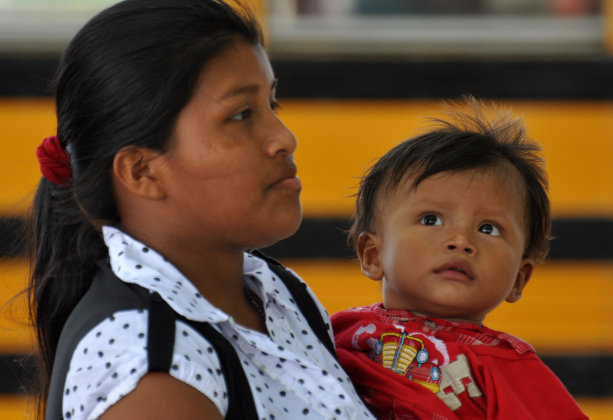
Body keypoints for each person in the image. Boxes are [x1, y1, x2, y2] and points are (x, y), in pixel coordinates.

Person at [28, 1, 376, 419]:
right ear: (141, 171)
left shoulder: (278, 293)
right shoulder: (148, 363)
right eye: (240, 114)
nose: (283, 138)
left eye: (272, 105)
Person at [331, 99, 588, 419]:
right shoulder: (338, 330)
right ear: (373, 255)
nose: (461, 241)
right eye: (431, 220)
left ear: (519, 278)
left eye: (488, 228)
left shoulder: (512, 370)